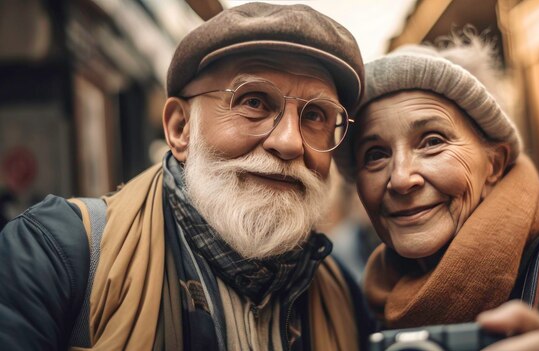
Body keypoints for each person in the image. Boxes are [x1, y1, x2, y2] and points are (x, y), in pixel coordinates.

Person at [0, 3, 374, 350]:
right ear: (180, 128)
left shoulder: (342, 292)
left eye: (315, 116)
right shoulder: (57, 255)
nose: (290, 142)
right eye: (254, 101)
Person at [335, 33, 539, 351]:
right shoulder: (357, 310)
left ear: (494, 164)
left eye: (433, 141)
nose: (402, 179)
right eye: (375, 154)